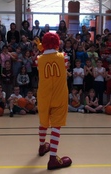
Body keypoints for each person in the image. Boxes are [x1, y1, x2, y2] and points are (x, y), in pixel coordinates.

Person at [36, 32, 72, 170]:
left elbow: (42, 63)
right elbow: (66, 67)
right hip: (59, 94)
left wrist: (42, 50)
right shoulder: (64, 57)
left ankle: (41, 146)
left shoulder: (38, 59)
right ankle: (53, 159)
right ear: (57, 43)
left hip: (44, 95)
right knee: (56, 126)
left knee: (43, 122)